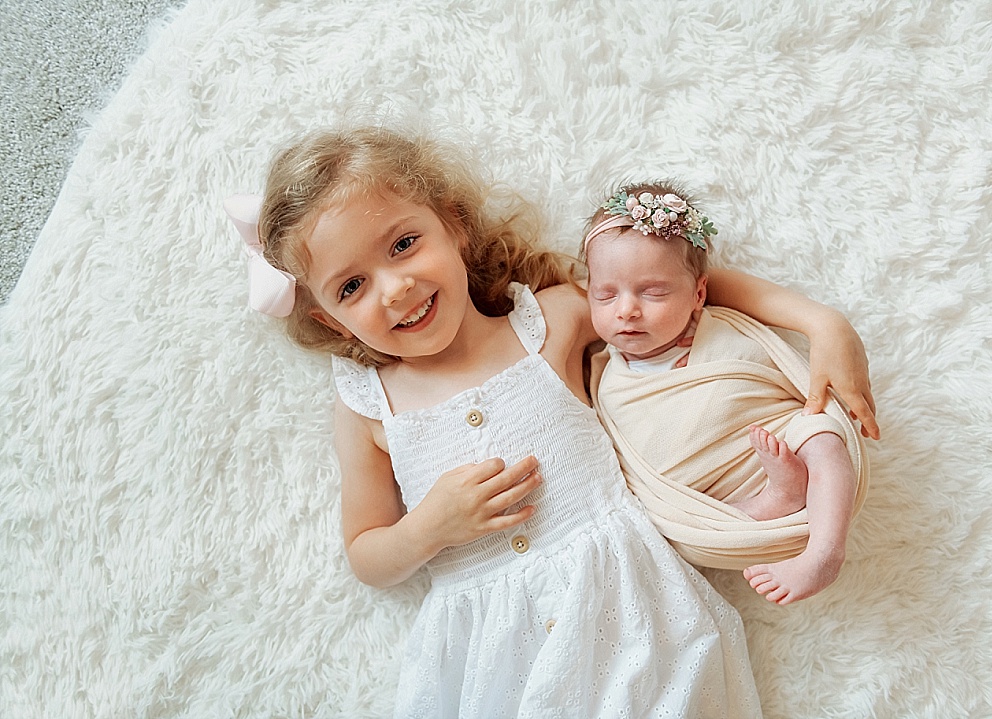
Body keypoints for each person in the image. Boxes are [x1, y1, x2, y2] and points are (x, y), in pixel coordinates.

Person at [225, 127, 874, 717]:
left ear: (453, 226)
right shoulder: (369, 403)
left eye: (402, 244)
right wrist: (428, 527)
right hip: (490, 655)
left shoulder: (549, 320)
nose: (393, 288)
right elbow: (366, 552)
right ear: (328, 321)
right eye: (351, 287)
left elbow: (668, 285)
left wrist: (820, 322)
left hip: (630, 617)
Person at [583, 182, 873, 606]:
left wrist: (826, 325)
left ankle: (826, 550)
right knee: (676, 522)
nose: (626, 309)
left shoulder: (725, 330)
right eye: (605, 294)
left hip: (778, 438)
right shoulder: (609, 376)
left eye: (654, 292)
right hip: (712, 500)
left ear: (699, 294)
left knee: (823, 433)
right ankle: (778, 497)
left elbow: (777, 390)